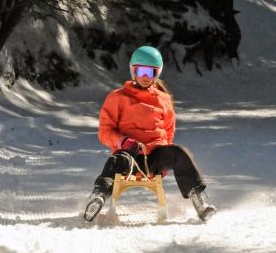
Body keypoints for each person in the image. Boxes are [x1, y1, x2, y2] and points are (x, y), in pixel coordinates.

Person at [84, 46, 217, 222]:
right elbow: (104, 131)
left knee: (179, 152)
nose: (146, 77)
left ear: (157, 73)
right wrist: (121, 141)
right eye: (141, 71)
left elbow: (169, 130)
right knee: (117, 160)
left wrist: (165, 156)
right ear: (133, 71)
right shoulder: (117, 98)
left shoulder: (163, 99)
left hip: (155, 156)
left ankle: (199, 201)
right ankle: (98, 196)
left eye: (151, 72)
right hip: (129, 153)